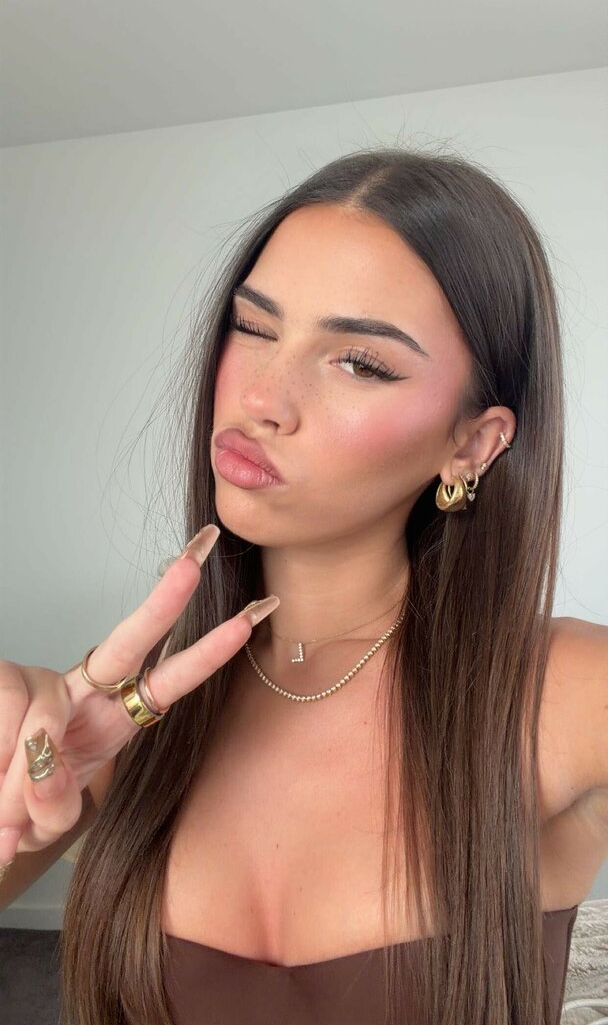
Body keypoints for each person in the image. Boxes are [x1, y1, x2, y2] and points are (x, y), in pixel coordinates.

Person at [0, 145, 603, 1025]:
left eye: (359, 362)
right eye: (254, 327)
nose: (262, 398)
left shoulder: (568, 692)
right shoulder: (128, 708)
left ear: (472, 445)